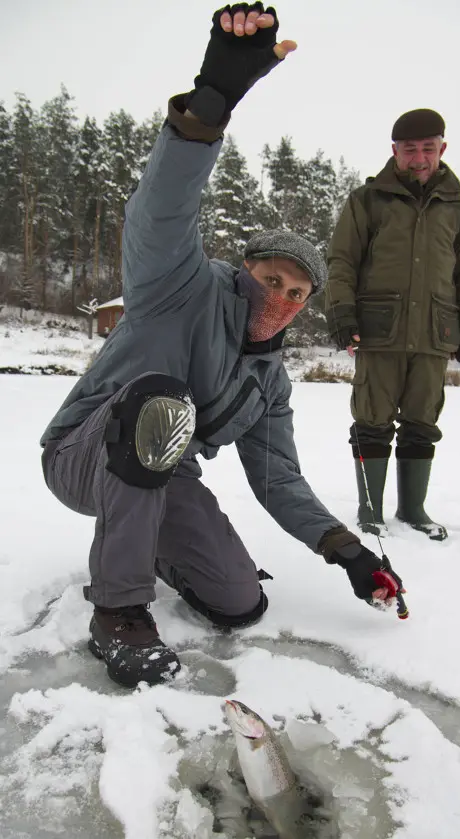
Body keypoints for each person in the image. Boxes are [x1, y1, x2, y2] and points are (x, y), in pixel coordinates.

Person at [40, 3, 404, 689]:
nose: (281, 299)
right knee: (158, 399)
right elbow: (161, 207)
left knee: (240, 602)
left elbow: (278, 480)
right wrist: (211, 105)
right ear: (244, 272)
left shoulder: (269, 383)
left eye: (297, 293)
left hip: (159, 477)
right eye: (270, 280)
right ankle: (117, 610)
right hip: (80, 454)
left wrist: (347, 550)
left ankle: (160, 550)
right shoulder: (178, 284)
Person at [325, 108, 460, 541]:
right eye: (410, 149)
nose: (419, 158)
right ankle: (370, 510)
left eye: (428, 149)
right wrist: (341, 311)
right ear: (394, 150)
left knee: (422, 421)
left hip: (435, 333)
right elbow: (341, 262)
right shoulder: (366, 201)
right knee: (372, 419)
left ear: (442, 149)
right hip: (379, 330)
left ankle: (413, 510)